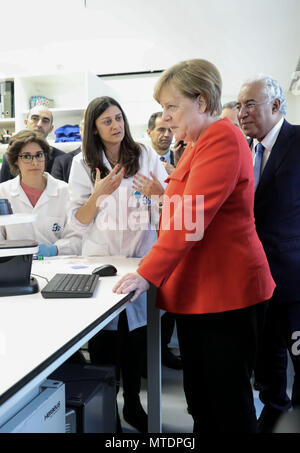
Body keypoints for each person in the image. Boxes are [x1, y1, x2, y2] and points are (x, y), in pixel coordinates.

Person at [113, 58, 275, 433]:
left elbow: (191, 220)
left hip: (226, 294)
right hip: (203, 292)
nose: (165, 118)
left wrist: (146, 274)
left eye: (171, 106)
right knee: (203, 401)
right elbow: (181, 206)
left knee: (228, 407)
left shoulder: (222, 139)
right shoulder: (198, 143)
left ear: (201, 101)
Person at [68, 96, 168, 433]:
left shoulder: (143, 154)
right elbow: (78, 223)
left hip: (141, 257)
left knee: (136, 339)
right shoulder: (83, 163)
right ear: (94, 130)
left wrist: (158, 192)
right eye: (107, 121)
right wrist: (97, 196)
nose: (116, 126)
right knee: (105, 341)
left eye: (118, 118)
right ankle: (107, 407)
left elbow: (165, 202)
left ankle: (134, 404)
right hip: (103, 262)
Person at [237, 76, 300, 433]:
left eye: (250, 104)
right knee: (268, 360)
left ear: (276, 106)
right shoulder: (245, 149)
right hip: (257, 280)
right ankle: (274, 412)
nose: (242, 113)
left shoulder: (298, 140)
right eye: (240, 105)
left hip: (295, 278)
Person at [0, 130, 82, 256]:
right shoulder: (3, 192)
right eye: (26, 156)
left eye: (39, 155)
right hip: (15, 266)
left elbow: (77, 239)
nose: (35, 163)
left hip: (57, 264)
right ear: (16, 160)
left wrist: (54, 249)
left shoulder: (65, 191)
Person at [146, 112, 182, 370]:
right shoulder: (141, 160)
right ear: (149, 132)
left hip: (176, 237)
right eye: (160, 129)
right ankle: (147, 358)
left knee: (168, 303)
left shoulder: (181, 159)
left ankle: (163, 349)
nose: (166, 134)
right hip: (149, 239)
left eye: (169, 129)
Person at [0, 105, 65, 183]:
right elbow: (3, 192)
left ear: (51, 128)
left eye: (45, 120)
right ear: (26, 123)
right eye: (35, 118)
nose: (39, 124)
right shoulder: (10, 157)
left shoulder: (62, 159)